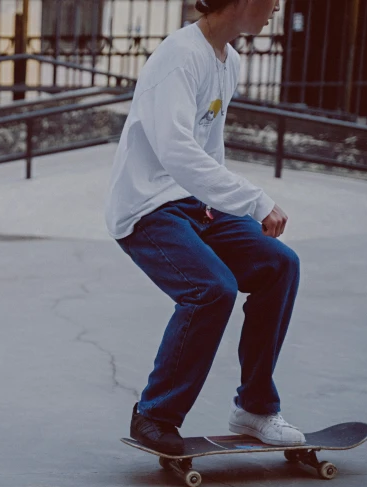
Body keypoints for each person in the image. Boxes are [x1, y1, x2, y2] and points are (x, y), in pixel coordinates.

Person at [105, 0, 305, 455]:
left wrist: (221, 203)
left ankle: (255, 408)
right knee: (212, 289)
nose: (277, 6)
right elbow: (176, 148)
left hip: (196, 205)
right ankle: (155, 416)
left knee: (279, 264)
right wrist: (254, 200)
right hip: (147, 207)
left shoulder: (228, 59)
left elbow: (208, 148)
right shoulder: (180, 56)